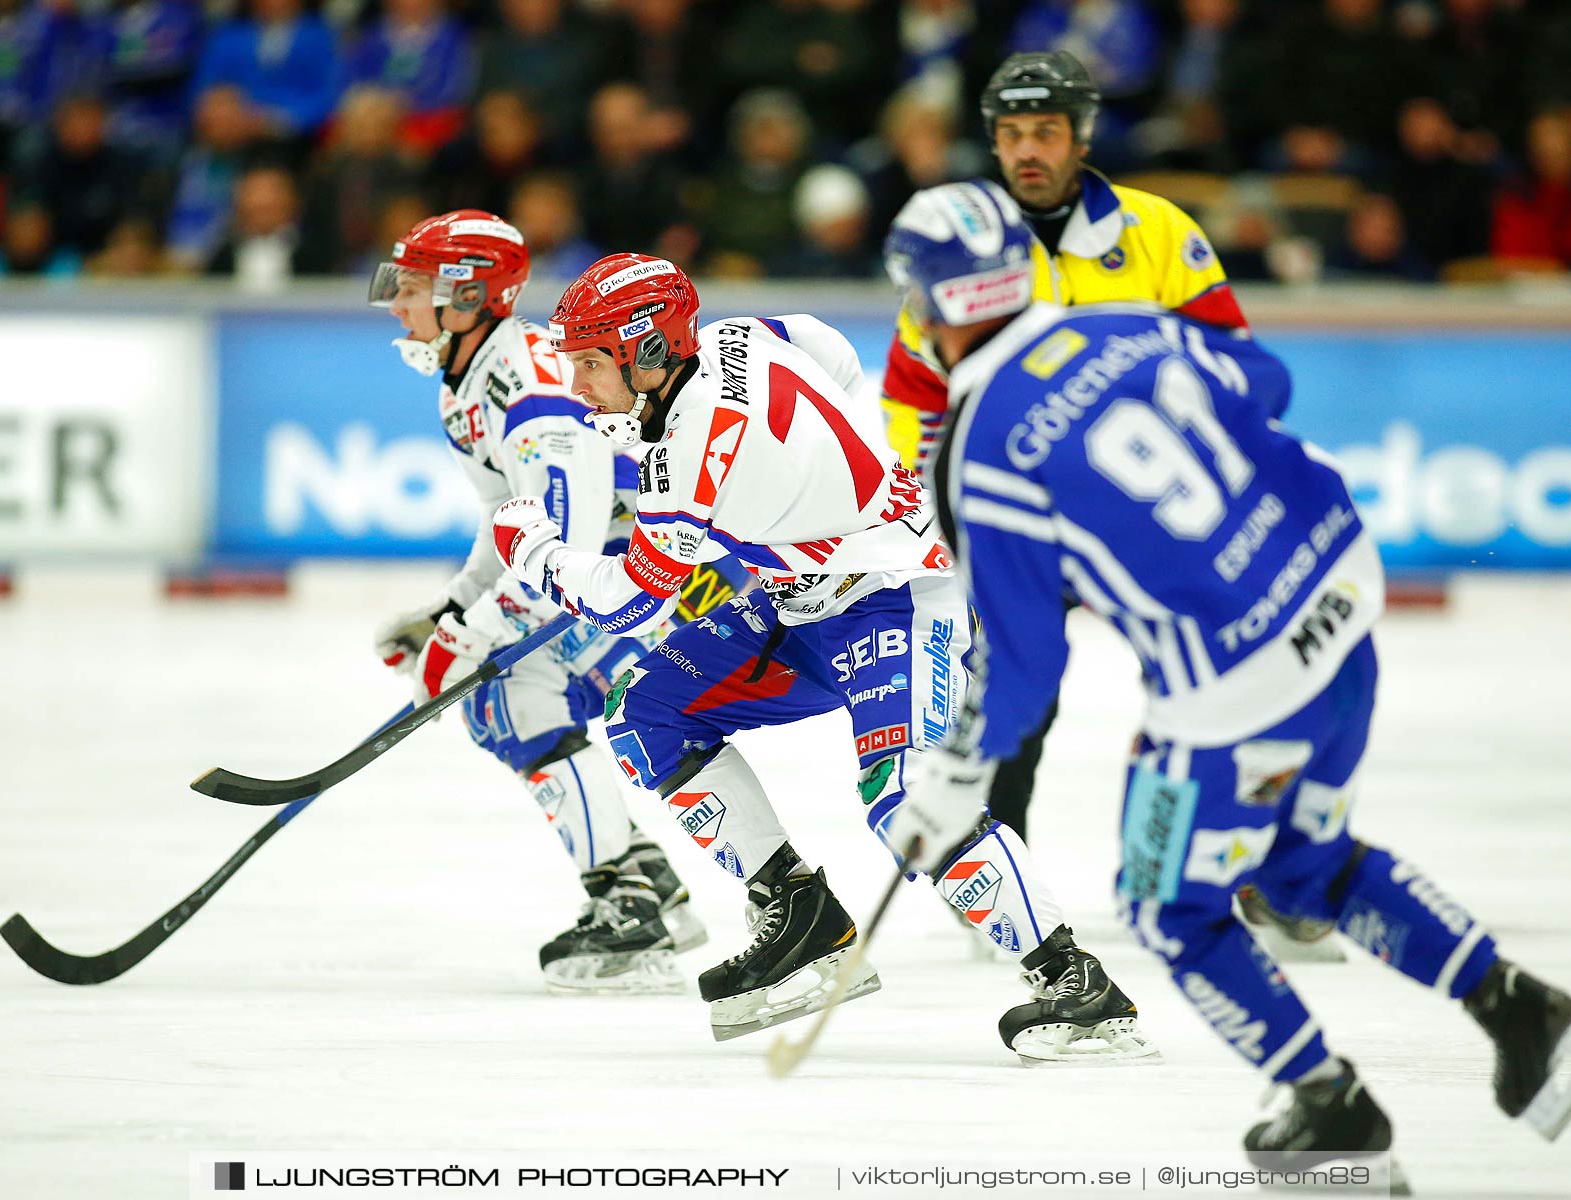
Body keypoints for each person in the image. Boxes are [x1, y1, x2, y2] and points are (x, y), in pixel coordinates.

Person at [884, 180, 1571, 1183]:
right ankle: (1522, 1010)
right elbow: (1265, 384)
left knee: (1165, 907)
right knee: (1303, 864)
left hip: (1237, 688)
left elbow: (1024, 663)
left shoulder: (978, 450)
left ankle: (1328, 1103)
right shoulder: (1133, 326)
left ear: (928, 305)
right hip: (1338, 602)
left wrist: (952, 781)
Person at [486, 252, 1158, 1064]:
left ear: (651, 352)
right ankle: (800, 912)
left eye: (592, 364)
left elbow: (625, 603)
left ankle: (1076, 984)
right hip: (803, 596)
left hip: (901, 597)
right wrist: (812, 494)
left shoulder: (689, 465)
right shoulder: (739, 338)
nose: (580, 385)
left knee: (907, 802)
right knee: (646, 714)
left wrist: (532, 548)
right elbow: (823, 344)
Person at [879, 50, 1247, 853]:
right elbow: (913, 397)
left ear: (1081, 136)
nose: (1027, 151)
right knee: (1011, 678)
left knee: (1219, 681)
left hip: (1155, 505)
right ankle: (1003, 868)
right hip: (1026, 515)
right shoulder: (959, 244)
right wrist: (939, 511)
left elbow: (1230, 360)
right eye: (1011, 134)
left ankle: (1253, 861)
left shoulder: (1156, 231)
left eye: (1045, 131)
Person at [366, 211, 707, 994]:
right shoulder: (479, 374)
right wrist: (452, 612)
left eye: (413, 289)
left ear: (470, 297)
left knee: (512, 695)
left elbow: (566, 540)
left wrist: (473, 636)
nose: (396, 305)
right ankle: (648, 886)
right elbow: (513, 525)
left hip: (669, 573)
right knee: (500, 695)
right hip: (631, 564)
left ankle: (628, 909)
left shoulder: (529, 389)